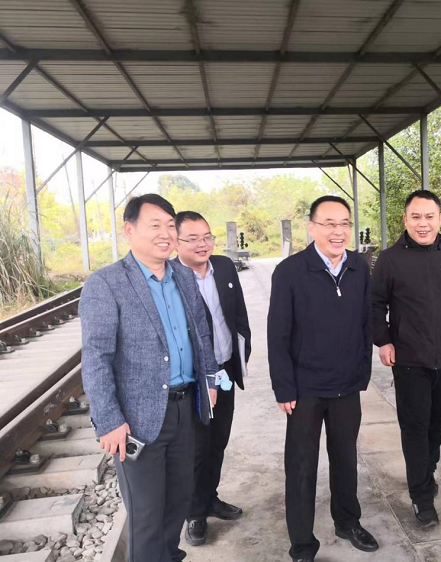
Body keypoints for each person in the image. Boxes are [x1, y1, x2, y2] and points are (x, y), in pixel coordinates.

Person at [79, 194, 219, 562]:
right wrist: (109, 420)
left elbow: (201, 332)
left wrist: (209, 380)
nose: (165, 233)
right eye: (155, 225)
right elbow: (96, 356)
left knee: (177, 504)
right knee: (146, 518)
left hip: (185, 408)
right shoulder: (106, 283)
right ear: (129, 230)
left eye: (170, 226)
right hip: (137, 420)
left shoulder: (183, 276)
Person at [268, 196, 378, 562]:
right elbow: (278, 334)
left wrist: (362, 371)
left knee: (345, 459)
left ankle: (348, 522)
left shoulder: (359, 266)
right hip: (305, 389)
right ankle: (302, 543)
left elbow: (366, 322)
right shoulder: (290, 271)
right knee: (301, 466)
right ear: (312, 228)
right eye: (329, 223)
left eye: (344, 223)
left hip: (347, 385)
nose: (338, 231)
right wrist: (284, 386)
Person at [371, 190, 441, 527]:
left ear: (440, 219)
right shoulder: (390, 259)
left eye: (429, 216)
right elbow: (375, 304)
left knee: (438, 422)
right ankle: (421, 495)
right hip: (409, 358)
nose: (423, 223)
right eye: (415, 217)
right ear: (405, 219)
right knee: (415, 426)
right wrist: (384, 341)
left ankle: (426, 469)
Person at [174, 211, 252, 546]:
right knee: (197, 448)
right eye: (192, 239)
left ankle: (210, 497)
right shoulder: (171, 277)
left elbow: (238, 313)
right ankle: (194, 513)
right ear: (176, 242)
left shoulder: (224, 266)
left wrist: (241, 355)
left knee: (218, 440)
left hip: (225, 371)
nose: (202, 244)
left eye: (207, 237)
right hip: (194, 379)